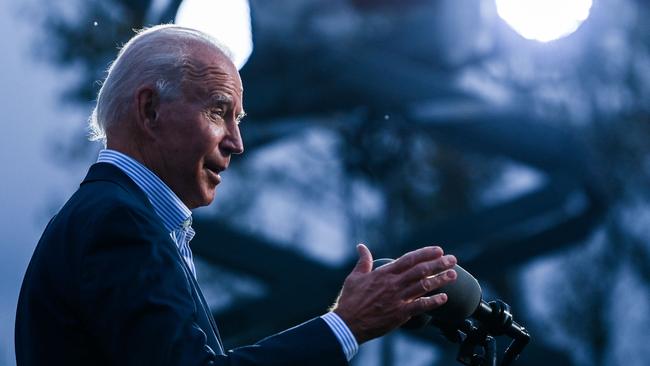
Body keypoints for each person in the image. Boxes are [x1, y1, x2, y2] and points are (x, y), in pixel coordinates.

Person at [15, 25, 458, 365]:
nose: (236, 142)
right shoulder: (118, 221)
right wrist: (347, 325)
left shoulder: (114, 217)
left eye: (239, 119)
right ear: (149, 109)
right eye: (219, 112)